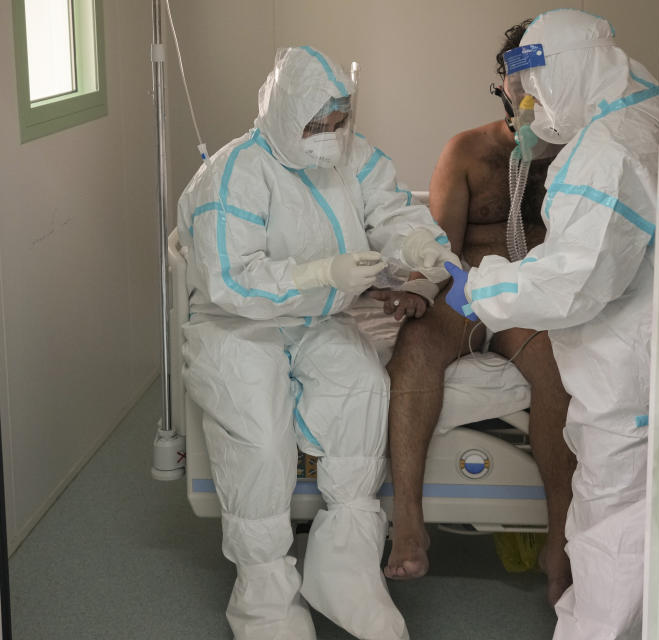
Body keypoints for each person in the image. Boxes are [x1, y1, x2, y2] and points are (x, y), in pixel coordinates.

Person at [177, 46, 456, 640]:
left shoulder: (353, 157)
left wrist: (418, 247)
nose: (328, 137)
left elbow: (393, 209)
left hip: (319, 317)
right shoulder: (232, 174)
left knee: (361, 387)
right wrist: (319, 274)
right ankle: (265, 598)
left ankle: (345, 569)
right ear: (281, 115)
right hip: (237, 325)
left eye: (337, 123)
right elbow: (230, 279)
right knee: (258, 435)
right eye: (314, 125)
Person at [443, 9, 659, 640]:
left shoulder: (605, 151)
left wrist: (476, 286)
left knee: (612, 528)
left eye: (534, 89)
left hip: (625, 376)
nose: (528, 106)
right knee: (618, 530)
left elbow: (573, 279)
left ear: (565, 71)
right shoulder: (648, 110)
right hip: (641, 353)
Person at [380, 20, 577, 605]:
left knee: (561, 373)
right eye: (521, 85)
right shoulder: (468, 151)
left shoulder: (587, 157)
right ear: (506, 86)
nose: (530, 97)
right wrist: (421, 287)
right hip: (469, 286)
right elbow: (441, 245)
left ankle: (559, 540)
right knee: (413, 349)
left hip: (534, 295)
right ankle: (409, 523)